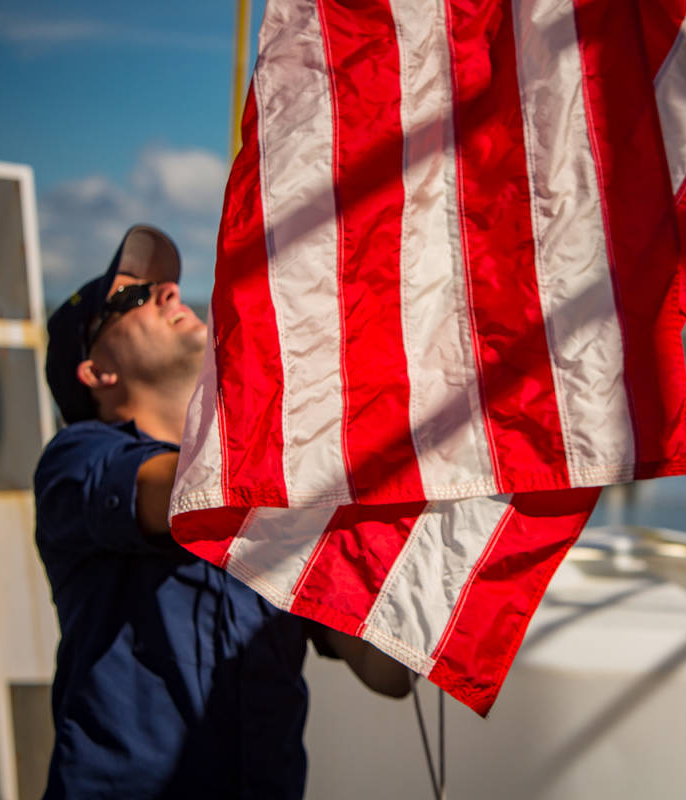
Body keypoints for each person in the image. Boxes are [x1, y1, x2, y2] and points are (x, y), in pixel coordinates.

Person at [35, 224, 410, 800]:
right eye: (135, 296)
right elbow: (187, 491)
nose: (168, 293)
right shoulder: (76, 457)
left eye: (166, 286)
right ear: (96, 372)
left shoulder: (279, 494)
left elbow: (390, 673)